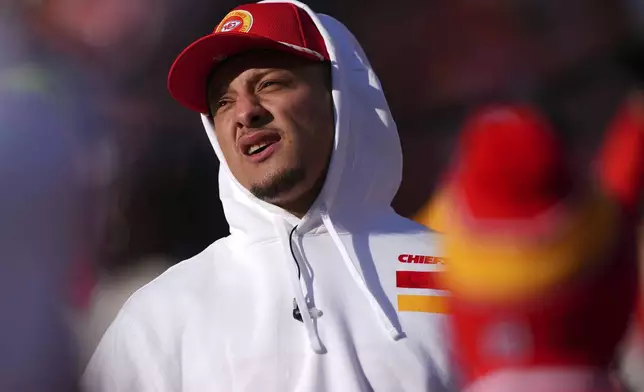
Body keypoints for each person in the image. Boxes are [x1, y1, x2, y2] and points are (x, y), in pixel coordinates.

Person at [82, 1, 454, 391]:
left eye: (269, 83)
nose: (245, 112)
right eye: (222, 102)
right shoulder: (161, 313)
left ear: (341, 94)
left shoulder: (458, 275)